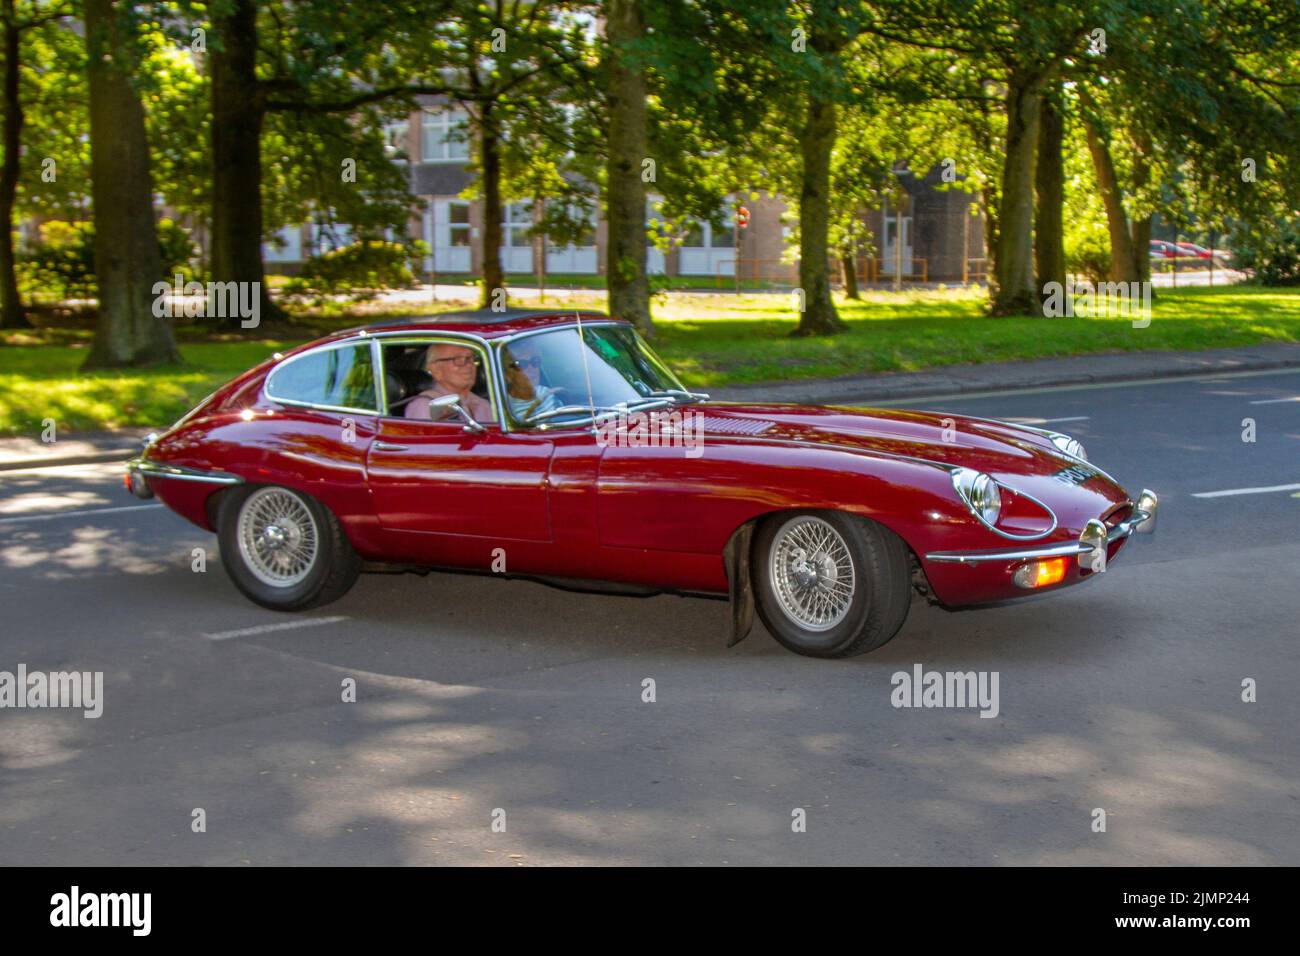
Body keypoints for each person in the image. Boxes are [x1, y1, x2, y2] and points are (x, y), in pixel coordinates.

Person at [405, 343, 496, 423]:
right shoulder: (426, 406)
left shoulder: (484, 404)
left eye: (470, 358)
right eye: (457, 359)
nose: (469, 365)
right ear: (436, 370)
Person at [502, 339, 563, 421]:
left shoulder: (549, 393)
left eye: (535, 361)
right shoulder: (506, 409)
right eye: (522, 364)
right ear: (508, 374)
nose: (531, 369)